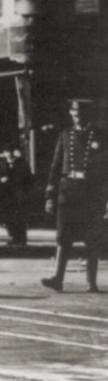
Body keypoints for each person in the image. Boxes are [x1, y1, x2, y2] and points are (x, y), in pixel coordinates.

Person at [41, 99, 107, 293]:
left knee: (92, 238)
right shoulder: (65, 135)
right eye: (74, 112)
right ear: (70, 113)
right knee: (63, 237)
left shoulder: (101, 135)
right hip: (67, 191)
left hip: (90, 193)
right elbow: (55, 167)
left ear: (88, 114)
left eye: (81, 112)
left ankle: (91, 282)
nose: (77, 115)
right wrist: (50, 195)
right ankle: (57, 278)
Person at [0, 144, 32, 247]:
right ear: (4, 154)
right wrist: (0, 180)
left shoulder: (22, 163)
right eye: (6, 152)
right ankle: (14, 237)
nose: (8, 154)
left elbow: (29, 179)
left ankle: (22, 239)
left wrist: (26, 192)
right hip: (7, 195)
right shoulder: (1, 164)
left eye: (9, 152)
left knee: (20, 218)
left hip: (19, 195)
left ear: (13, 152)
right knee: (8, 218)